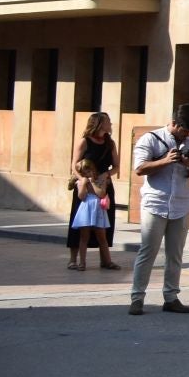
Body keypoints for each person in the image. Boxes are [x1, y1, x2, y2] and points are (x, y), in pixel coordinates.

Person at [128, 104, 189, 316]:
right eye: (185, 131)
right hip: (155, 203)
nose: (187, 135)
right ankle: (137, 298)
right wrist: (165, 160)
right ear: (175, 124)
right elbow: (139, 169)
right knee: (148, 251)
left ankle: (171, 297)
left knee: (175, 254)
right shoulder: (150, 139)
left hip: (181, 205)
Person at [67, 111, 120, 271]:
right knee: (79, 222)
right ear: (99, 123)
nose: (110, 123)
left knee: (105, 221)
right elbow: (74, 164)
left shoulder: (110, 143)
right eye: (107, 121)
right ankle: (73, 260)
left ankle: (105, 260)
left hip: (104, 185)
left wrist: (106, 175)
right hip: (85, 185)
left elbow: (116, 166)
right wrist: (82, 179)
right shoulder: (84, 141)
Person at [67, 159, 112, 272]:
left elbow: (101, 194)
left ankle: (108, 261)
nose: (87, 174)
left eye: (89, 171)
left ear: (93, 170)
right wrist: (83, 183)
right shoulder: (81, 182)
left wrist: (92, 183)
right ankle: (82, 263)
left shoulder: (100, 180)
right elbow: (81, 196)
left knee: (102, 237)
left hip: (98, 210)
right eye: (84, 173)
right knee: (84, 238)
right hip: (86, 210)